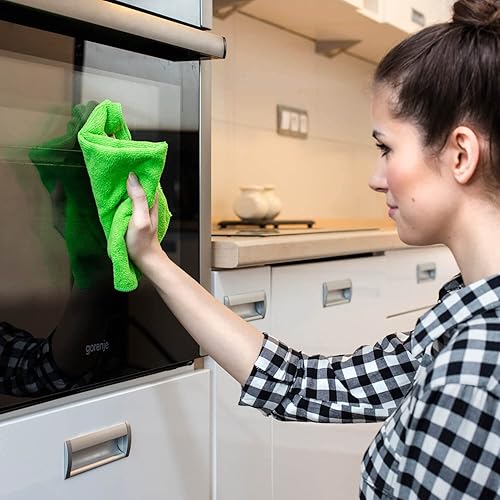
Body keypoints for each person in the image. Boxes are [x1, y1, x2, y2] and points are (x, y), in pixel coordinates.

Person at [125, 0, 500, 498]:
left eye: (386, 148)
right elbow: (304, 384)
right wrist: (153, 258)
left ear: (460, 154)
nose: (376, 177)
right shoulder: (464, 318)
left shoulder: (474, 369)